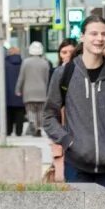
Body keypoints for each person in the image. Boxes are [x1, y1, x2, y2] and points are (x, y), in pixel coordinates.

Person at [42, 15, 105, 188]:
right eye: (94, 34)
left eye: (104, 34)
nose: (99, 39)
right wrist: (67, 141)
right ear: (82, 37)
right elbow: (48, 115)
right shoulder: (64, 73)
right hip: (76, 164)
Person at [46, 40, 78, 182]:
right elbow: (51, 106)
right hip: (62, 127)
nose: (67, 56)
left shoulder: (81, 74)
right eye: (64, 52)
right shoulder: (57, 73)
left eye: (71, 52)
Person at [18, 41, 51, 138]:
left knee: (30, 110)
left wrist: (18, 89)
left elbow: (21, 77)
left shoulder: (25, 62)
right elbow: (47, 78)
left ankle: (32, 122)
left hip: (28, 91)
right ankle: (39, 128)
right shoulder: (45, 63)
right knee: (40, 111)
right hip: (42, 91)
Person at [4, 45, 25, 136]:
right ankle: (19, 131)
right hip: (20, 92)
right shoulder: (23, 63)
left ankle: (8, 131)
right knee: (20, 113)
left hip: (7, 93)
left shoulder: (4, 63)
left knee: (8, 113)